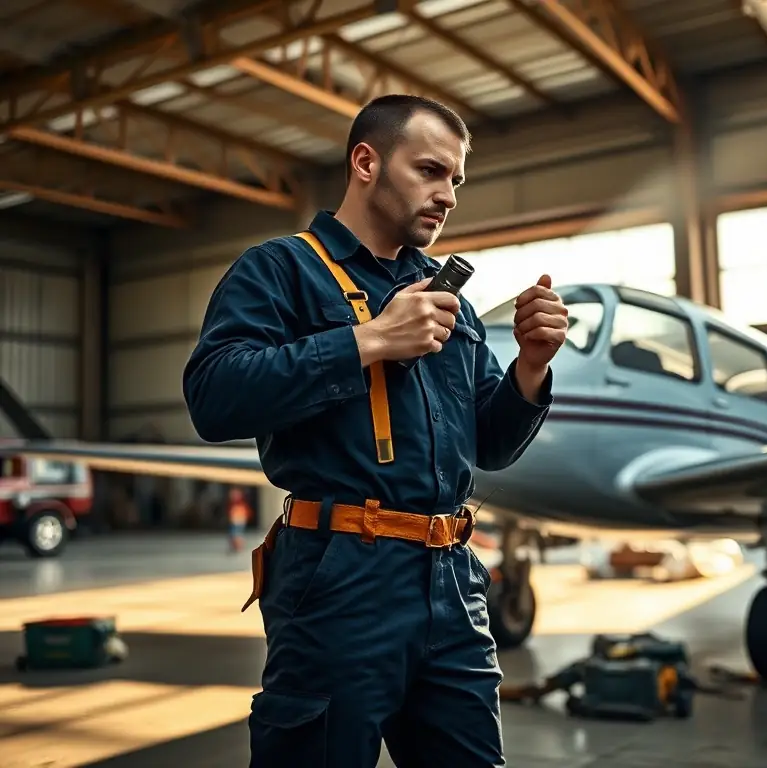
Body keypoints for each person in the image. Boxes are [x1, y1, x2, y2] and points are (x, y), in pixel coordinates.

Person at [182, 94, 568, 767]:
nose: (448, 195)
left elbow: (492, 445)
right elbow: (214, 397)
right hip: (338, 582)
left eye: (455, 180)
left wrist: (531, 369)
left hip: (453, 580)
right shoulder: (280, 271)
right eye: (429, 171)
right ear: (366, 162)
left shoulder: (450, 302)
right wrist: (365, 341)